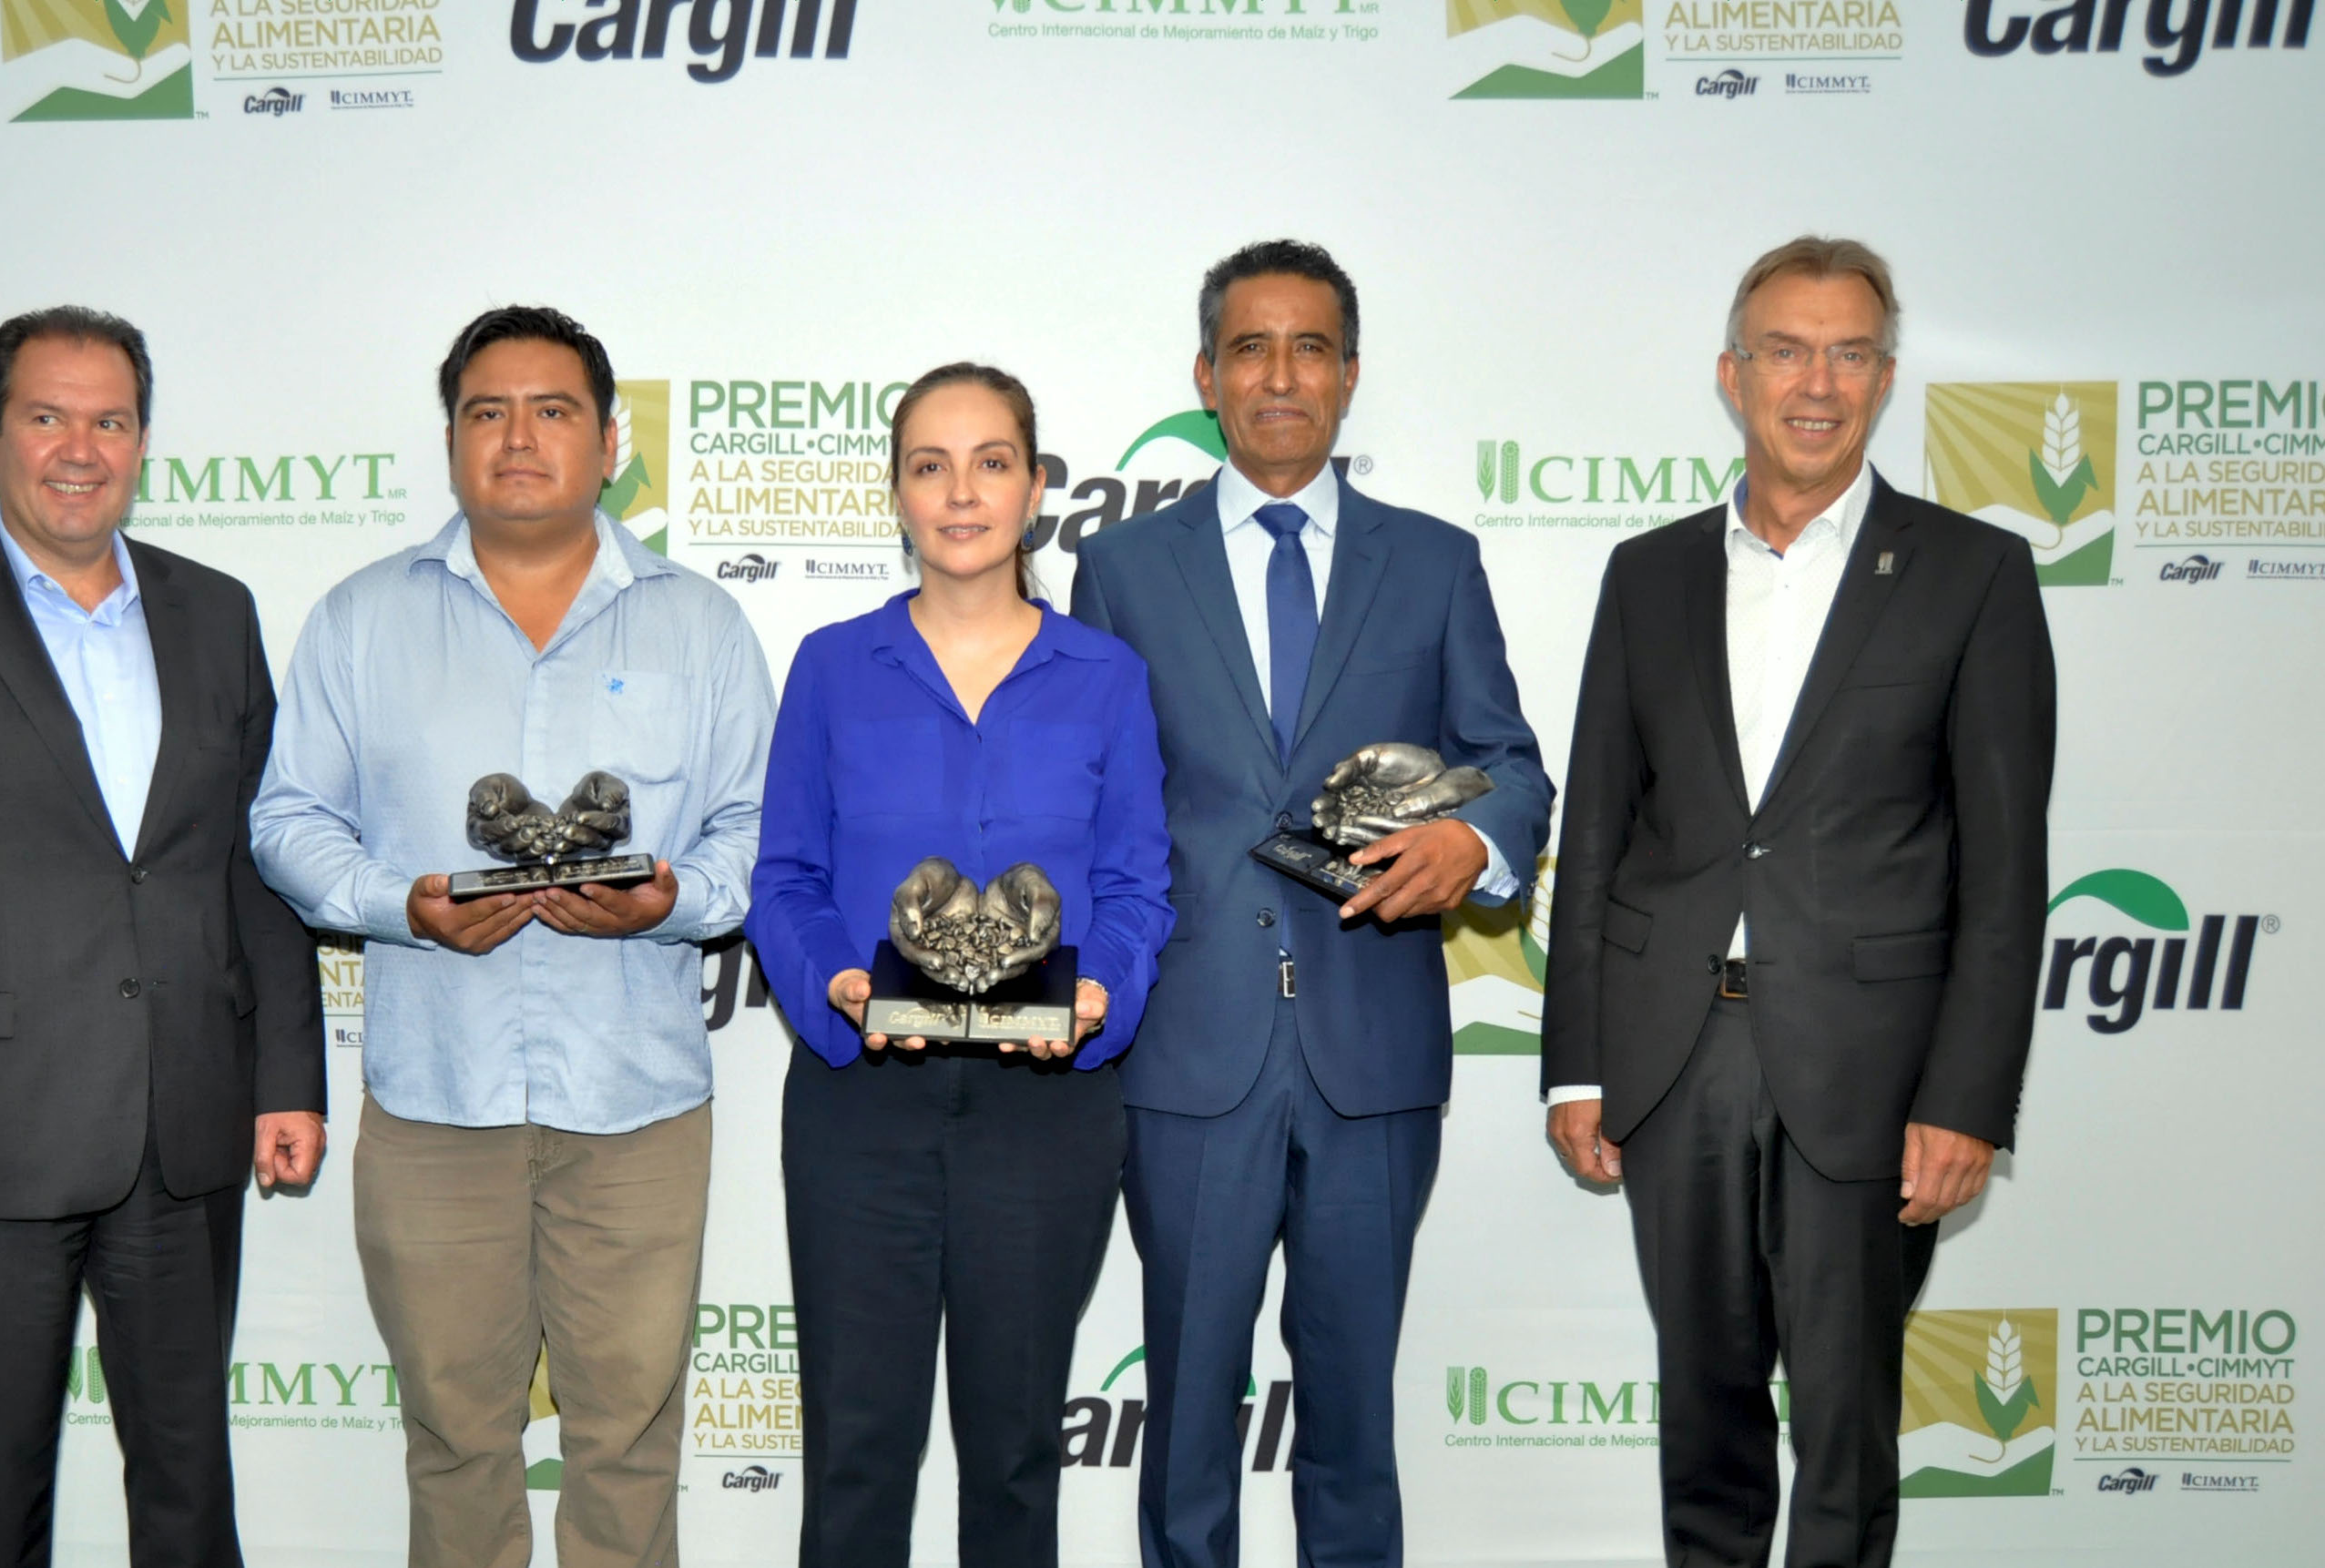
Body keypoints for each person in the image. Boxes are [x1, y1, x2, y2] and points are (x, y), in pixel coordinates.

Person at [1542, 237, 2056, 1568]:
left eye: (1847, 351)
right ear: (1732, 373)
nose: (1813, 382)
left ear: (1885, 379)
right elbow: (1596, 827)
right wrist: (1574, 1066)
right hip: (1675, 1056)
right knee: (1701, 1428)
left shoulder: (1971, 574)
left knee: (1842, 1438)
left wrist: (1966, 1097)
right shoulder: (1645, 573)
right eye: (1785, 348)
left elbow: (2004, 872)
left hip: (1872, 1074)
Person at [0, 305, 328, 1568]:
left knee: (191, 1492)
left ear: (142, 439)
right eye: (47, 416)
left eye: (110, 419)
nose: (78, 447)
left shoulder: (216, 611)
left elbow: (252, 864)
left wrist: (284, 1079)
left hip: (185, 1123)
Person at [250, 305, 771, 1568]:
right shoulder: (361, 619)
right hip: (437, 1103)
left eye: (551, 411)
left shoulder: (697, 626)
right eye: (488, 412)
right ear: (451, 441)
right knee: (454, 1435)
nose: (519, 437)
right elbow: (286, 820)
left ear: (607, 439)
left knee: (629, 1438)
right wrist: (400, 905)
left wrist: (676, 901)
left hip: (636, 1107)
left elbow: (759, 831)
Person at [1069, 241, 1554, 1568]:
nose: (1278, 374)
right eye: (1248, 347)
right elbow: (1096, 799)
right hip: (1190, 1053)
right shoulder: (1121, 570)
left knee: (1352, 1418)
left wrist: (1474, 837)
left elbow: (1512, 763)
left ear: (1347, 374)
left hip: (1370, 1051)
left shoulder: (1433, 561)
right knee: (1183, 1428)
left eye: (1308, 348)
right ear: (1205, 376)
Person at [747, 363, 1173, 1568]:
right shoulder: (833, 667)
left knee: (1014, 1452)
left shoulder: (1106, 677)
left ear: (1035, 488)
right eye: (929, 465)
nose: (961, 491)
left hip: (1046, 1107)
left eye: (990, 462)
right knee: (856, 1449)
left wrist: (1105, 993)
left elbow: (1140, 885)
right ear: (897, 493)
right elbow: (783, 878)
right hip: (859, 1105)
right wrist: (838, 981)